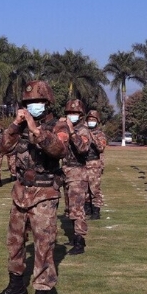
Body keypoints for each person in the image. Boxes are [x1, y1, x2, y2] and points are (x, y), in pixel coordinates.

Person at [0, 80, 69, 294]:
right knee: (14, 243)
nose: (31, 106)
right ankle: (16, 284)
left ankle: (41, 293)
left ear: (47, 103)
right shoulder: (20, 127)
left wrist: (36, 130)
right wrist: (16, 124)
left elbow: (59, 150)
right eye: (27, 103)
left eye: (36, 102)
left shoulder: (59, 125)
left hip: (44, 194)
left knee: (43, 247)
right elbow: (3, 147)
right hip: (21, 192)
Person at [61, 99, 92, 254]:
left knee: (77, 208)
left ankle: (80, 240)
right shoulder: (65, 128)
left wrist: (72, 132)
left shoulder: (83, 130)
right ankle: (74, 236)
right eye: (69, 113)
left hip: (78, 173)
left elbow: (82, 148)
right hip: (66, 171)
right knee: (69, 207)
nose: (71, 116)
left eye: (74, 113)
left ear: (80, 115)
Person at [85, 110, 108, 220]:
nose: (91, 122)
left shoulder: (100, 134)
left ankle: (96, 211)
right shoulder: (82, 132)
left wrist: (92, 137)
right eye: (89, 120)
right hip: (83, 163)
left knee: (94, 189)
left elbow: (101, 147)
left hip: (94, 163)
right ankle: (87, 209)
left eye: (93, 120)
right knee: (84, 189)